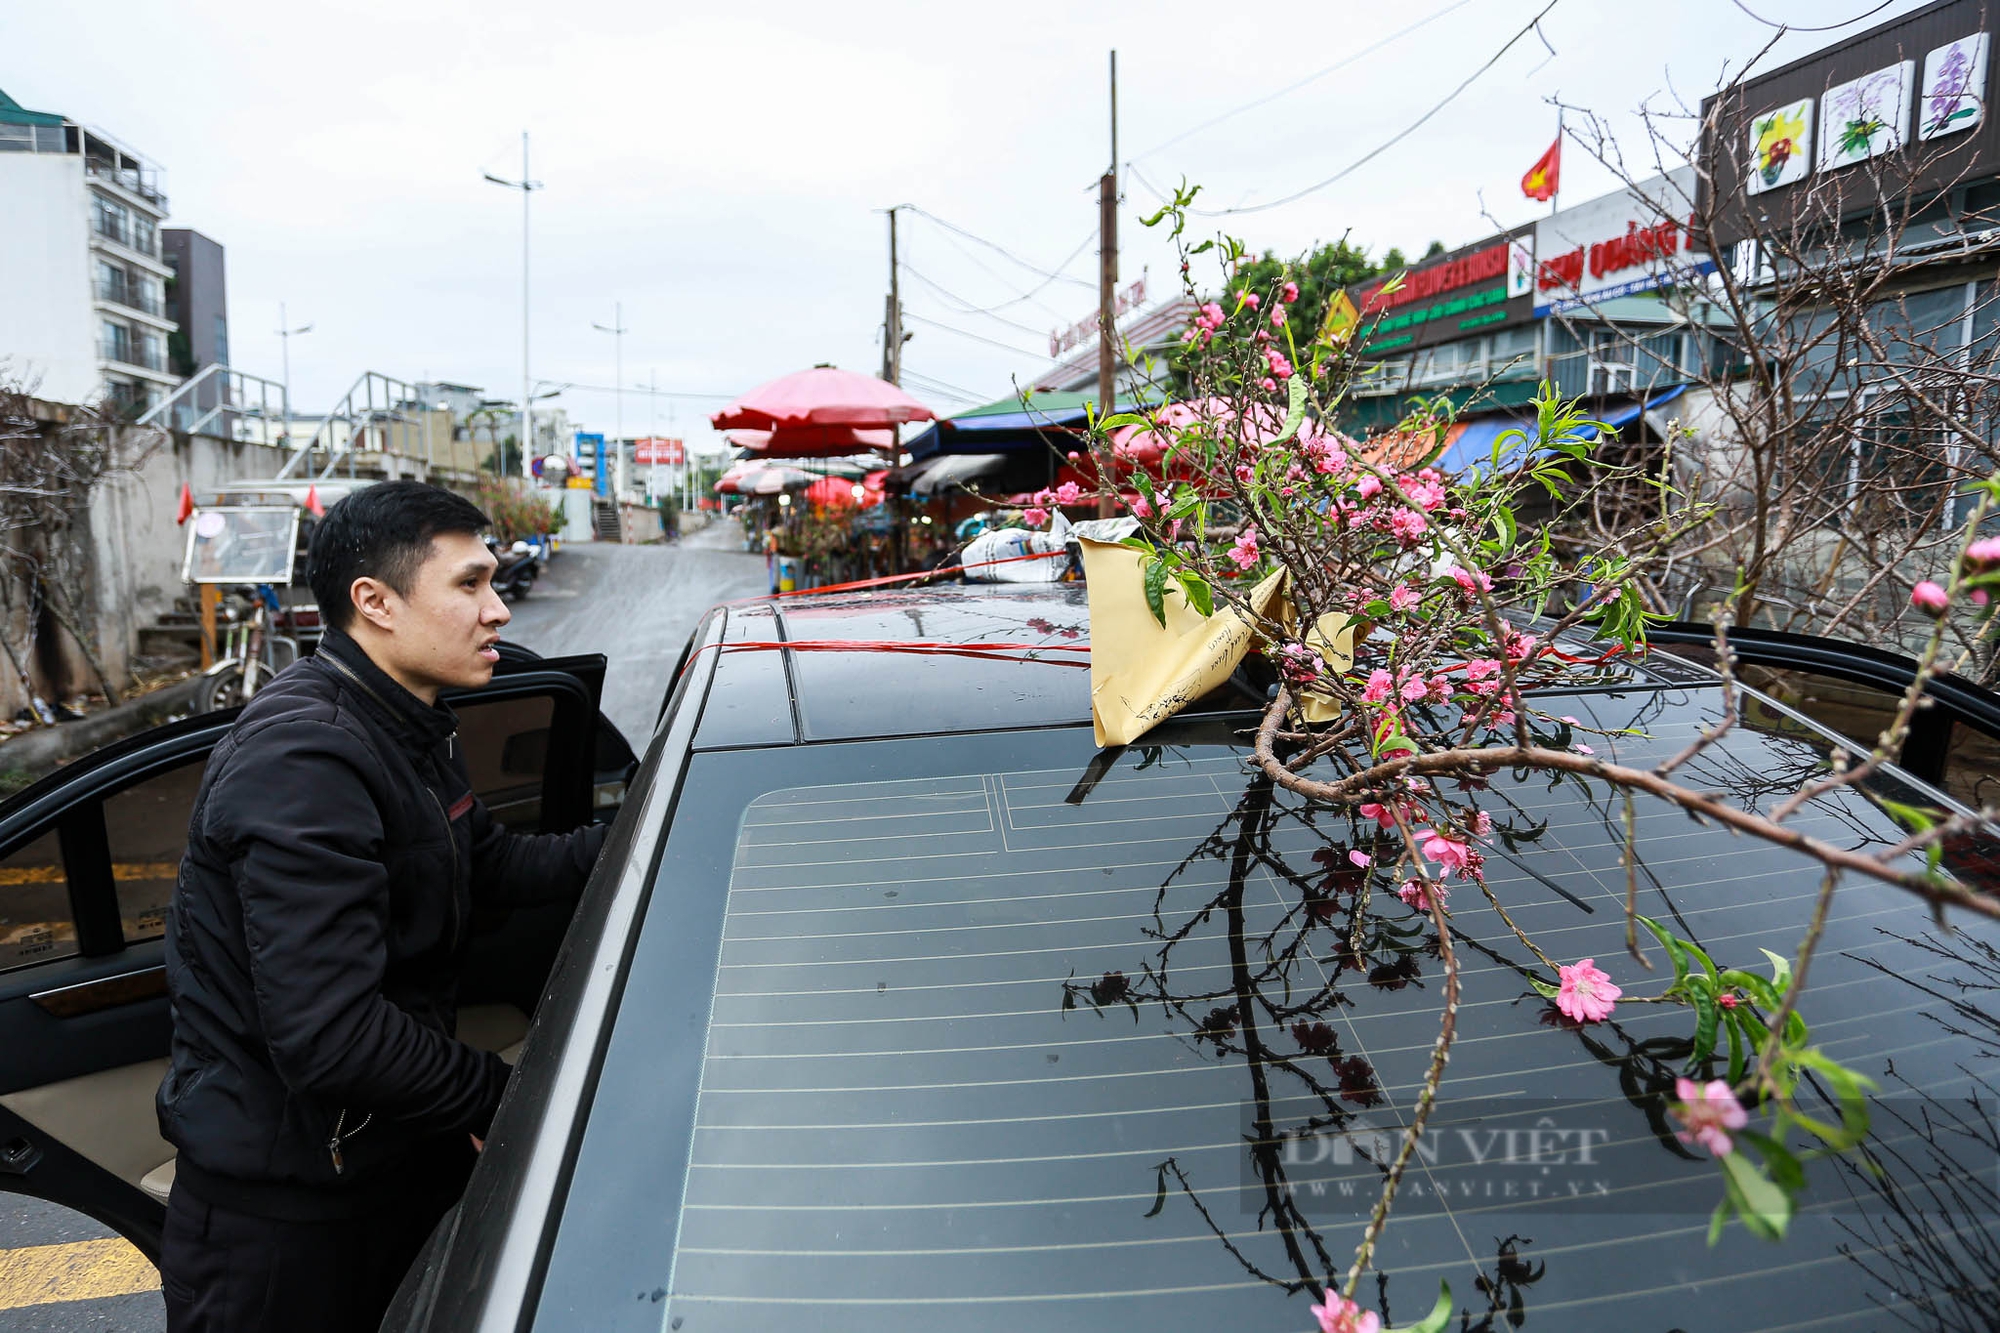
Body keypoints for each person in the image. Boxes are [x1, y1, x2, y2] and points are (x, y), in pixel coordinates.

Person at [155, 481, 608, 1332]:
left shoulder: (405, 723)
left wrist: (638, 834)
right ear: (376, 602)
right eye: (470, 584)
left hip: (384, 1167)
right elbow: (332, 1032)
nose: (498, 610)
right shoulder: (306, 757)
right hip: (290, 1220)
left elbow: (491, 863)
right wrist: (511, 1100)